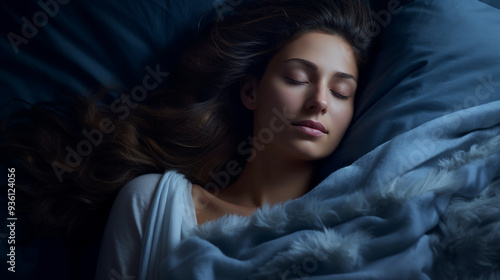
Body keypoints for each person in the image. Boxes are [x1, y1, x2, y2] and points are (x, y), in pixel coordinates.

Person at [1, 0, 372, 278]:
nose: (320, 101)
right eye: (296, 78)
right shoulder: (152, 202)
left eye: (341, 92)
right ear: (250, 92)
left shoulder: (351, 220)